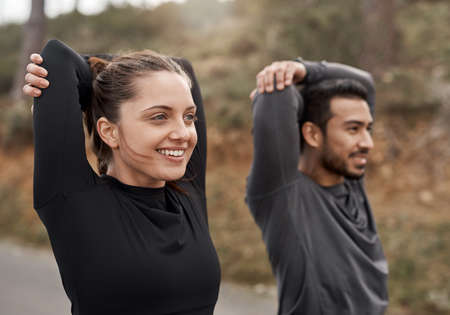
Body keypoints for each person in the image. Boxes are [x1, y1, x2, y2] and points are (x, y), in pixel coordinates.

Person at [23, 39, 220, 315]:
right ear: (109, 131)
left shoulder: (188, 192)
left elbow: (183, 67)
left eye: (189, 117)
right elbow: (57, 60)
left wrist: (104, 75)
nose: (183, 134)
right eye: (160, 116)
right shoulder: (73, 201)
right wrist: (98, 77)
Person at [246, 59, 388, 315]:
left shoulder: (352, 180)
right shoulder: (284, 198)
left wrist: (306, 70)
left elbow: (365, 82)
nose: (368, 142)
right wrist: (281, 77)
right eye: (353, 129)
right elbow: (277, 96)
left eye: (369, 129)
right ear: (312, 134)